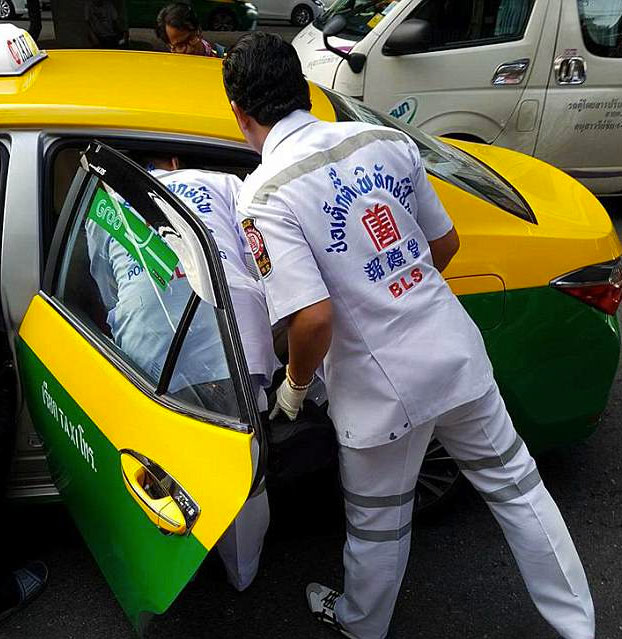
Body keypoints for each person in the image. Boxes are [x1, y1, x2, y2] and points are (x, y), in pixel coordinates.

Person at [223, 32, 595, 639]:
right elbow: (444, 243)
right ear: (303, 89)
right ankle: (580, 627)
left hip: (378, 394)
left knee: (378, 527)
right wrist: (400, 292)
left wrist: (292, 388)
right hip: (452, 351)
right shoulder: (384, 140)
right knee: (520, 489)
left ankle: (359, 626)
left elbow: (312, 319)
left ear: (239, 113)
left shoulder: (265, 195)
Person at [86, 154, 278, 592]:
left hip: (152, 349)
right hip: (234, 334)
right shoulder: (221, 181)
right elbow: (258, 256)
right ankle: (242, 574)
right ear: (173, 161)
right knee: (244, 465)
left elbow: (107, 289)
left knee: (169, 463)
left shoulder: (105, 204)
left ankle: (177, 558)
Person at [156, 3, 222, 57]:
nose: (190, 50)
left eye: (191, 38)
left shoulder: (222, 56)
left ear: (199, 30)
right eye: (180, 46)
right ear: (170, 46)